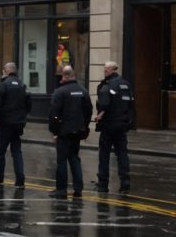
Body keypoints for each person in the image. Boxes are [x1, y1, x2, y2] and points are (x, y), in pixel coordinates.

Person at [48, 65, 93, 199]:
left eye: (62, 76)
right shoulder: (83, 91)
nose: (61, 78)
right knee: (74, 158)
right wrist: (83, 126)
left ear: (66, 76)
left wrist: (55, 131)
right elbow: (89, 111)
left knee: (62, 160)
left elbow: (53, 114)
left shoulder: (60, 92)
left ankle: (61, 190)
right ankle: (78, 188)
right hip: (78, 131)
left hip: (64, 132)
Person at [0, 62, 32, 189]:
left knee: (0, 151)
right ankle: (20, 179)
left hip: (6, 123)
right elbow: (28, 104)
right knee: (17, 151)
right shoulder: (22, 85)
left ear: (6, 71)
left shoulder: (2, 86)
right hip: (18, 123)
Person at [94, 61, 134, 194]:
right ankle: (125, 181)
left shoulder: (107, 85)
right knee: (122, 153)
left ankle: (103, 183)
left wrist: (100, 114)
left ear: (111, 69)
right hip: (122, 124)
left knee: (104, 154)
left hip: (109, 124)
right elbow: (131, 104)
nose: (104, 71)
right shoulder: (126, 84)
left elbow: (103, 104)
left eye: (106, 69)